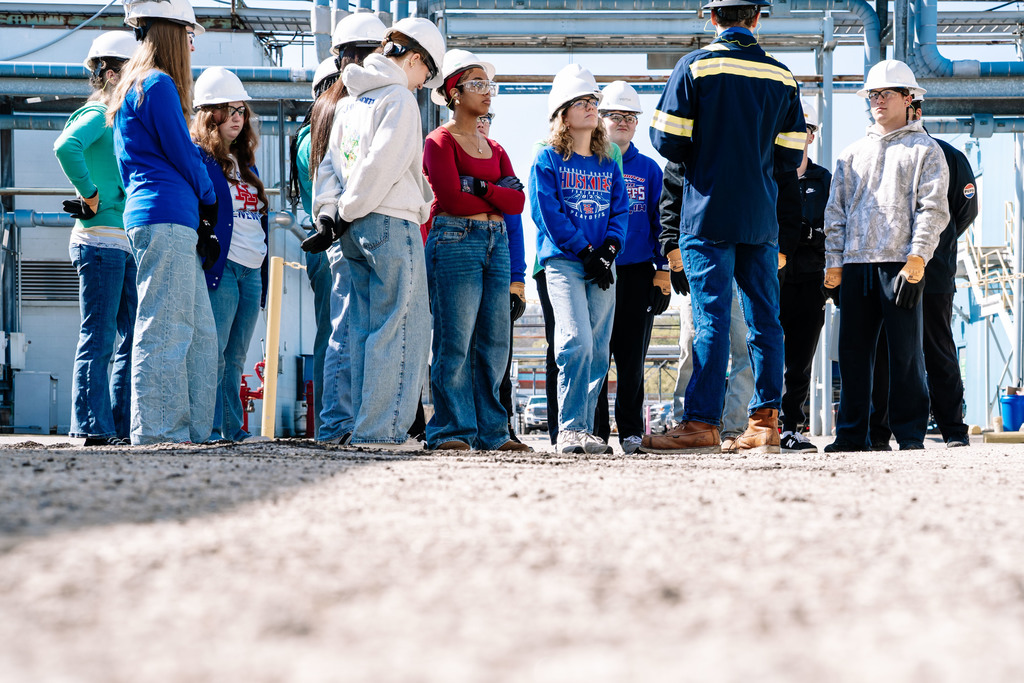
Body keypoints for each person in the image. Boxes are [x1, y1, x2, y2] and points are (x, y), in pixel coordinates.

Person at [642, 0, 805, 455]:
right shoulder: (781, 75)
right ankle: (764, 422)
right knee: (764, 321)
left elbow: (666, 141)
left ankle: (700, 423)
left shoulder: (695, 67)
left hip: (707, 212)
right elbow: (791, 156)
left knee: (712, 320)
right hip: (760, 216)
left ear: (713, 18)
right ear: (756, 17)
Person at [311, 17, 445, 449]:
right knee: (402, 326)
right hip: (389, 220)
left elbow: (329, 167)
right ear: (415, 58)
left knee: (365, 330)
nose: (426, 83)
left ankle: (366, 427)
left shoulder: (349, 102)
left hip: (352, 230)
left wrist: (333, 214)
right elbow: (385, 164)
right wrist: (350, 209)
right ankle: (382, 430)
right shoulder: (399, 100)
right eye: (428, 71)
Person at [822, 59, 949, 452]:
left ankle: (910, 435)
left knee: (906, 355)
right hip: (856, 265)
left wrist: (918, 258)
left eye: (886, 93)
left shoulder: (925, 150)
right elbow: (836, 211)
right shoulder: (850, 154)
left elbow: (933, 207)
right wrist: (834, 261)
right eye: (873, 95)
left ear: (909, 98)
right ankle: (851, 435)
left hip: (901, 264)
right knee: (854, 356)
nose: (877, 100)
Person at [108, 0, 219, 445]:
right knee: (167, 328)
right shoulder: (157, 86)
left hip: (162, 218)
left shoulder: (134, 89)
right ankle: (159, 433)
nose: (192, 45)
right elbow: (183, 151)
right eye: (189, 36)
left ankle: (188, 431)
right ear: (173, 34)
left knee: (199, 335)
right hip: (167, 219)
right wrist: (209, 198)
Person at [421, 50, 531, 452]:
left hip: (496, 243)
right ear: (453, 92)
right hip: (454, 240)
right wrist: (495, 195)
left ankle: (493, 432)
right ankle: (451, 430)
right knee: (455, 341)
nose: (488, 93)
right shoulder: (438, 141)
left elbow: (518, 204)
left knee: (494, 343)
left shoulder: (496, 147)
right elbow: (450, 198)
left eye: (490, 85)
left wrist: (480, 188)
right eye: (478, 85)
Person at [297, 14, 387, 443]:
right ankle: (336, 424)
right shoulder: (344, 105)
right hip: (349, 225)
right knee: (348, 327)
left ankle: (341, 422)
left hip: (341, 225)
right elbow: (332, 174)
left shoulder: (338, 105)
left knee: (347, 326)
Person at [868, 96, 978, 449]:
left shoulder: (949, 156)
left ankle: (953, 430)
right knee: (886, 353)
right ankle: (878, 433)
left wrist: (933, 248)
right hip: (888, 272)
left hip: (934, 274)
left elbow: (964, 211)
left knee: (937, 349)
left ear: (915, 110)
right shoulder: (877, 153)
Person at [530, 63, 629, 455]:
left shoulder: (608, 160)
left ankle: (586, 431)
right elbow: (547, 213)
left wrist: (607, 251)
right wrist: (586, 251)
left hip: (602, 265)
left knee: (599, 349)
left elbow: (620, 210)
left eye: (593, 101)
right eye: (582, 102)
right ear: (562, 114)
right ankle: (569, 429)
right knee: (575, 342)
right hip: (564, 263)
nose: (591, 107)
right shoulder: (548, 159)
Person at [53, 31, 139, 447]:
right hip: (99, 240)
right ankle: (92, 426)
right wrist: (89, 194)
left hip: (119, 241)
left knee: (130, 336)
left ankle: (118, 427)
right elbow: (65, 147)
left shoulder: (118, 116)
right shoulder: (99, 112)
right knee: (101, 335)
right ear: (108, 72)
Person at [190, 67, 269, 442]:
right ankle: (210, 426)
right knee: (215, 352)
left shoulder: (247, 163)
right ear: (211, 114)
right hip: (224, 268)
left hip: (252, 270)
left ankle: (232, 429)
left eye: (242, 111)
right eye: (229, 110)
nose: (238, 118)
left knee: (236, 356)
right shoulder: (202, 160)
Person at [593, 81, 668, 454]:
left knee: (632, 358)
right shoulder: (590, 163)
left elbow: (661, 221)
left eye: (630, 117)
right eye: (614, 115)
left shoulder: (649, 169)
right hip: (596, 271)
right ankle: (595, 432)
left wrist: (663, 272)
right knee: (596, 355)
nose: (623, 122)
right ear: (599, 118)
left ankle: (631, 433)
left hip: (637, 271)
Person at [778, 100, 832, 452]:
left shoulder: (823, 179)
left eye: (806, 131)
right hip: (772, 278)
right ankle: (758, 423)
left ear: (812, 137)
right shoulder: (769, 176)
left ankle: (791, 427)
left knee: (800, 359)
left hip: (811, 279)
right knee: (762, 352)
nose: (801, 136)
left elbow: (836, 225)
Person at [483, 111, 530, 444]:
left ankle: (502, 426)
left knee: (500, 355)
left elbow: (514, 224)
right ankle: (462, 424)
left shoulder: (499, 157)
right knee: (457, 351)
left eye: (489, 116)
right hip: (459, 263)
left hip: (500, 273)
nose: (483, 121)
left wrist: (517, 280)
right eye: (478, 115)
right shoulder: (443, 147)